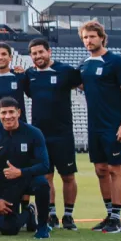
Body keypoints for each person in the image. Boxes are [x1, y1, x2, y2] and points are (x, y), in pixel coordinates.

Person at [78, 21, 121, 234]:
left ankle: (117, 218)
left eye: (92, 36)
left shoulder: (116, 61)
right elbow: (76, 82)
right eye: (85, 37)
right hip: (94, 127)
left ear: (102, 37)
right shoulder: (84, 65)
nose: (88, 41)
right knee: (100, 170)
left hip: (114, 125)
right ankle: (109, 215)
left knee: (115, 169)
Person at [24, 38, 82, 230]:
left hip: (63, 134)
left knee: (68, 176)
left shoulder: (65, 71)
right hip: (40, 136)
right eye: (34, 53)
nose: (38, 56)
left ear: (49, 52)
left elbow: (84, 84)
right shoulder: (29, 75)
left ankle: (68, 215)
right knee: (46, 177)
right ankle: (51, 214)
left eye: (41, 52)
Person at [0, 97, 52, 238]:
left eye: (11, 112)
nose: (8, 116)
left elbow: (44, 166)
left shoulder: (34, 133)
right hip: (5, 184)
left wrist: (21, 172)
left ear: (19, 112)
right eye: (4, 113)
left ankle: (42, 227)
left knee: (42, 184)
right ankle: (29, 213)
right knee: (8, 230)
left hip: (27, 179)